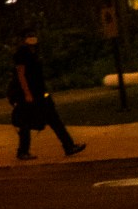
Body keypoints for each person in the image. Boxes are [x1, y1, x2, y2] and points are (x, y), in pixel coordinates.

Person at [7, 31, 84, 160]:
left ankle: (68, 145)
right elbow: (21, 75)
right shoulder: (21, 54)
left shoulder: (35, 52)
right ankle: (23, 151)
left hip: (40, 91)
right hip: (28, 94)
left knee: (53, 118)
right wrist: (27, 94)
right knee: (25, 123)